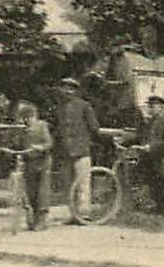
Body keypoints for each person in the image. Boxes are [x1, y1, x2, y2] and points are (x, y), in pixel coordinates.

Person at [53, 77, 100, 225]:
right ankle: (73, 214)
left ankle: (84, 214)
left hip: (81, 151)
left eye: (70, 88)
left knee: (83, 183)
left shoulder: (84, 106)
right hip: (65, 152)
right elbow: (55, 129)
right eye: (64, 88)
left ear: (75, 91)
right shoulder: (58, 108)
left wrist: (84, 139)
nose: (67, 91)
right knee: (68, 185)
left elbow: (94, 127)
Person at [15, 100, 53, 230]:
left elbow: (49, 143)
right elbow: (18, 145)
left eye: (29, 118)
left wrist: (40, 147)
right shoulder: (22, 130)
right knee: (30, 192)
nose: (27, 121)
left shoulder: (42, 126)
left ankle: (42, 220)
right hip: (29, 163)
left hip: (42, 162)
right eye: (24, 119)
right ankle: (32, 218)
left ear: (34, 116)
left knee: (42, 191)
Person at [140, 94, 164, 214]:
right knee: (155, 187)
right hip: (154, 159)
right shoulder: (152, 121)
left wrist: (152, 147)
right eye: (149, 106)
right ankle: (158, 210)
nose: (150, 109)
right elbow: (143, 136)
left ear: (161, 107)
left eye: (153, 106)